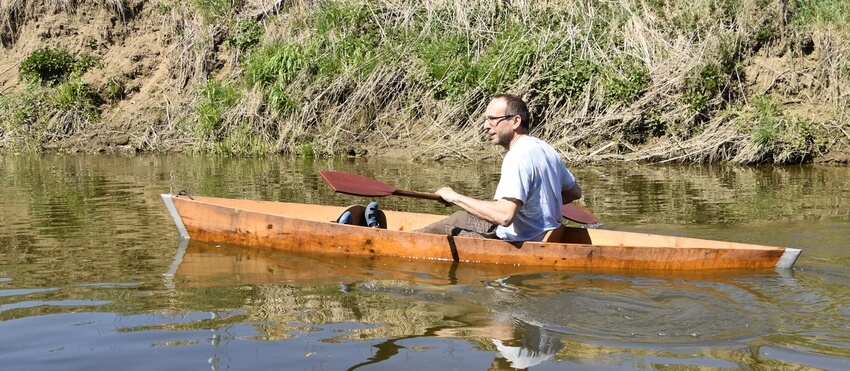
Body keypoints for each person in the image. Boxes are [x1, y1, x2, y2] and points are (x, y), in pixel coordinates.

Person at [416, 93, 581, 242]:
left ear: (515, 121)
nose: (486, 126)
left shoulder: (517, 156)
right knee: (458, 218)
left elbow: (504, 216)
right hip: (536, 233)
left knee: (436, 230)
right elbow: (574, 192)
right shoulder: (545, 148)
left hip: (519, 242)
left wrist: (454, 197)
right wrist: (534, 207)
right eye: (486, 119)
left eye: (492, 119)